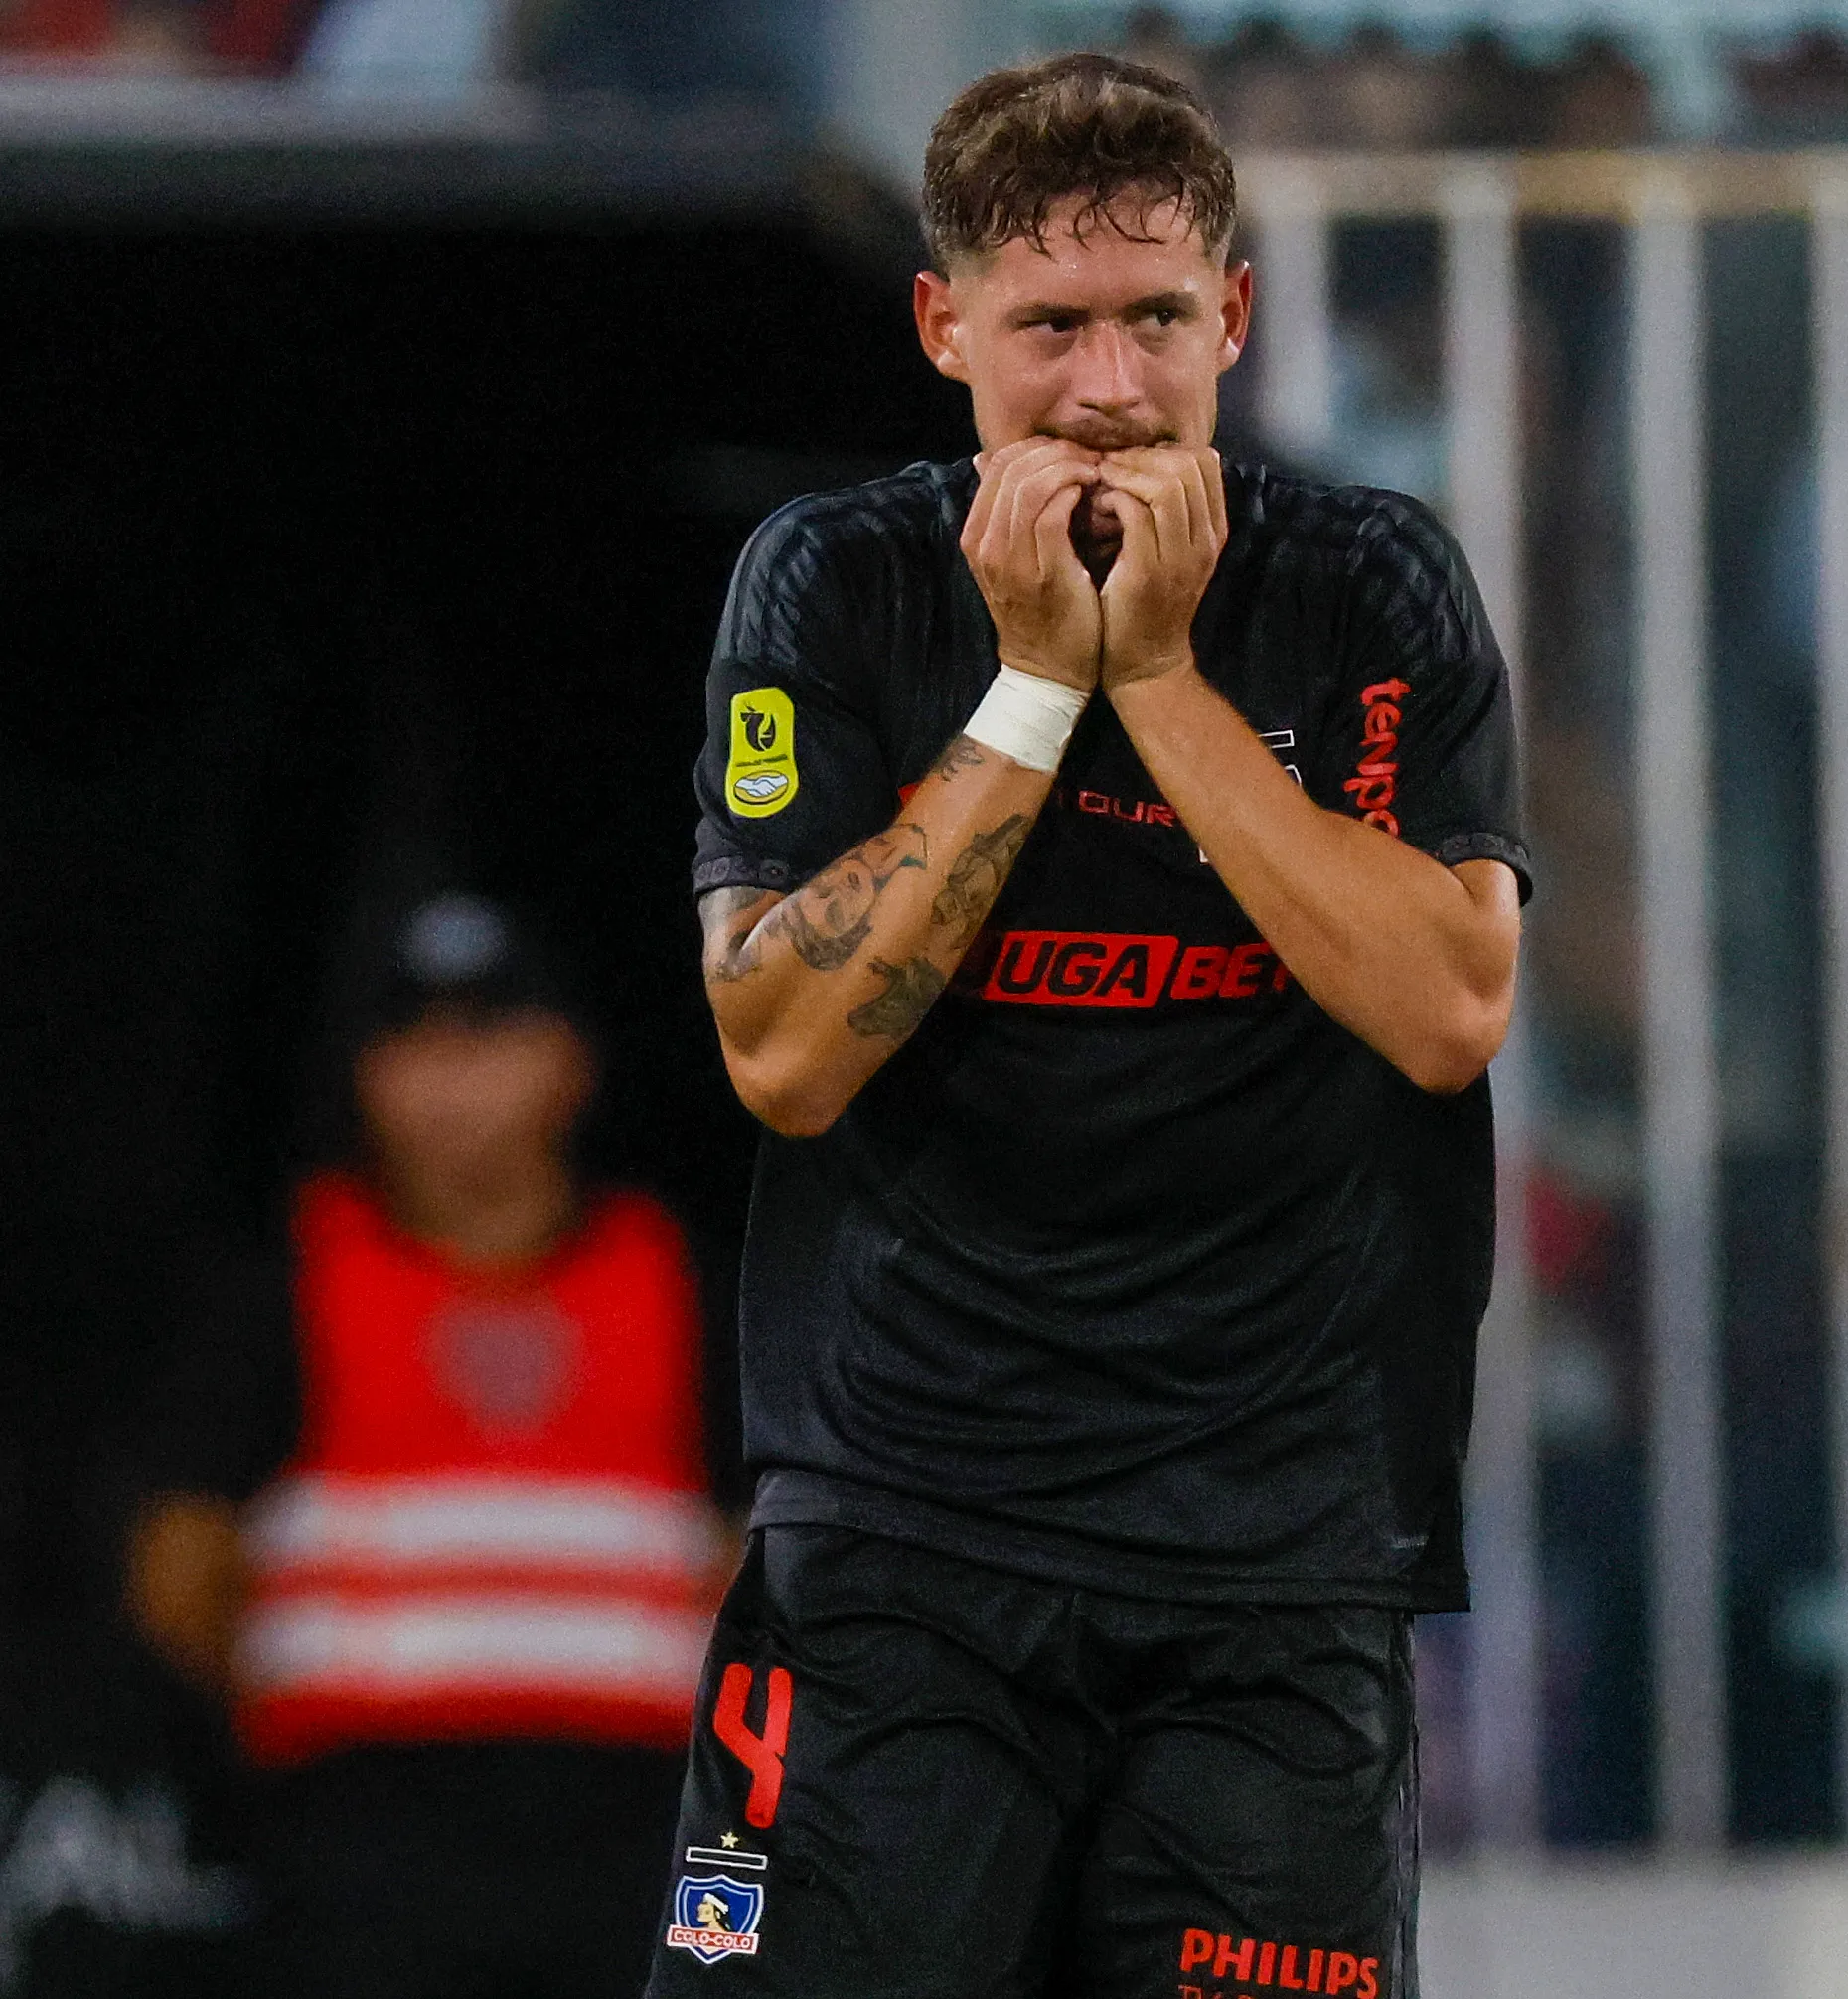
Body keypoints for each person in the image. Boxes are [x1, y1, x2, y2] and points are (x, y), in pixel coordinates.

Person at [663, 51, 1526, 1997]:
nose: (1113, 390)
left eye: (1156, 320)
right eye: (1051, 327)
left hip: (1277, 1584)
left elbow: (1453, 1005)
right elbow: (784, 1049)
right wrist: (1036, 694)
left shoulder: (1369, 586)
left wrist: (1161, 687)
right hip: (900, 1558)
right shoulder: (830, 585)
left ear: (1233, 314)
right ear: (942, 323)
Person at [129, 891, 727, 1999]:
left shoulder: (679, 1277)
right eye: (410, 1040)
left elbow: (760, 1551)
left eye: (488, 1033)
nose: (449, 1078)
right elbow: (178, 1563)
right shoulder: (288, 1280)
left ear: (571, 1060)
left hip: (636, 1838)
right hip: (364, 1838)